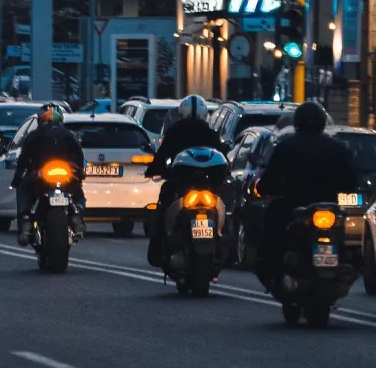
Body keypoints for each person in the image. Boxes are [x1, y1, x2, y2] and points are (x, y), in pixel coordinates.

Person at [252, 100, 358, 290]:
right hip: (326, 208)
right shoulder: (338, 149)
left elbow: (270, 180)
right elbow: (351, 182)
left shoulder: (286, 147)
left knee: (270, 235)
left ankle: (275, 273)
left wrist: (265, 188)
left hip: (294, 207)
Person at [145, 95, 226, 266]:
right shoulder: (211, 134)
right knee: (224, 206)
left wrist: (153, 170)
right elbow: (223, 157)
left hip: (183, 186)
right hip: (206, 186)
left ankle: (157, 249)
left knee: (163, 204)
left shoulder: (175, 131)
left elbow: (161, 155)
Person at [11, 104, 86, 246]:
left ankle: (25, 219)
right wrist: (80, 173)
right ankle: (78, 214)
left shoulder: (35, 135)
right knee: (78, 192)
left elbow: (23, 158)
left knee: (23, 189)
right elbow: (79, 154)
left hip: (43, 173)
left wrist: (17, 179)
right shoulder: (68, 134)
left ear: (41, 119)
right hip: (64, 173)